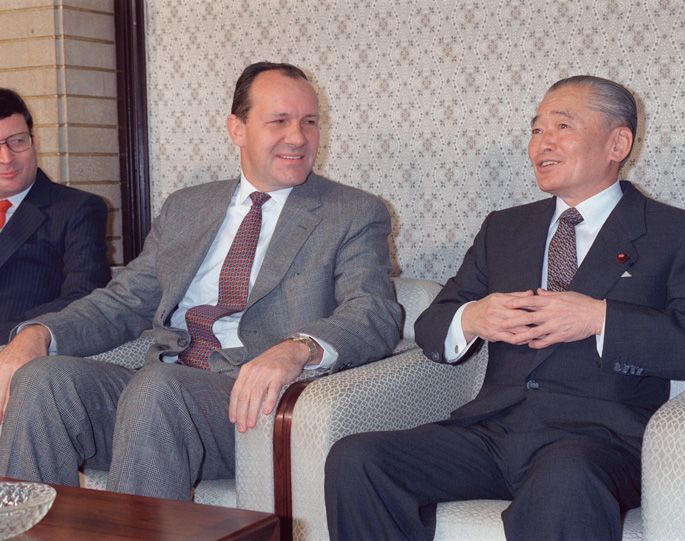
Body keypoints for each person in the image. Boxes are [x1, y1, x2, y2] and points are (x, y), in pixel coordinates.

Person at [325, 75, 685, 540]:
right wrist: (474, 317)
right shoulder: (505, 229)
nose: (541, 144)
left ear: (618, 142)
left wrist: (598, 318)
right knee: (358, 459)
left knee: (567, 477)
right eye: (536, 130)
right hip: (491, 431)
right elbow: (431, 327)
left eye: (562, 127)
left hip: (598, 441)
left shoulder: (677, 233)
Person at [0, 62, 402, 500]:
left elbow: (373, 311)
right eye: (279, 121)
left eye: (309, 122)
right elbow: (122, 301)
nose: (298, 138)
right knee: (42, 379)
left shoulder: (352, 212)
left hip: (247, 403)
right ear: (237, 128)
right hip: (157, 387)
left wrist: (298, 347)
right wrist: (39, 333)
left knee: (157, 388)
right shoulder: (187, 207)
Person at [0, 88, 110, 342]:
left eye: (17, 141)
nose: (7, 158)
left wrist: (19, 332)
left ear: (33, 140)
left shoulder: (78, 209)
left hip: (23, 350)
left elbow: (84, 296)